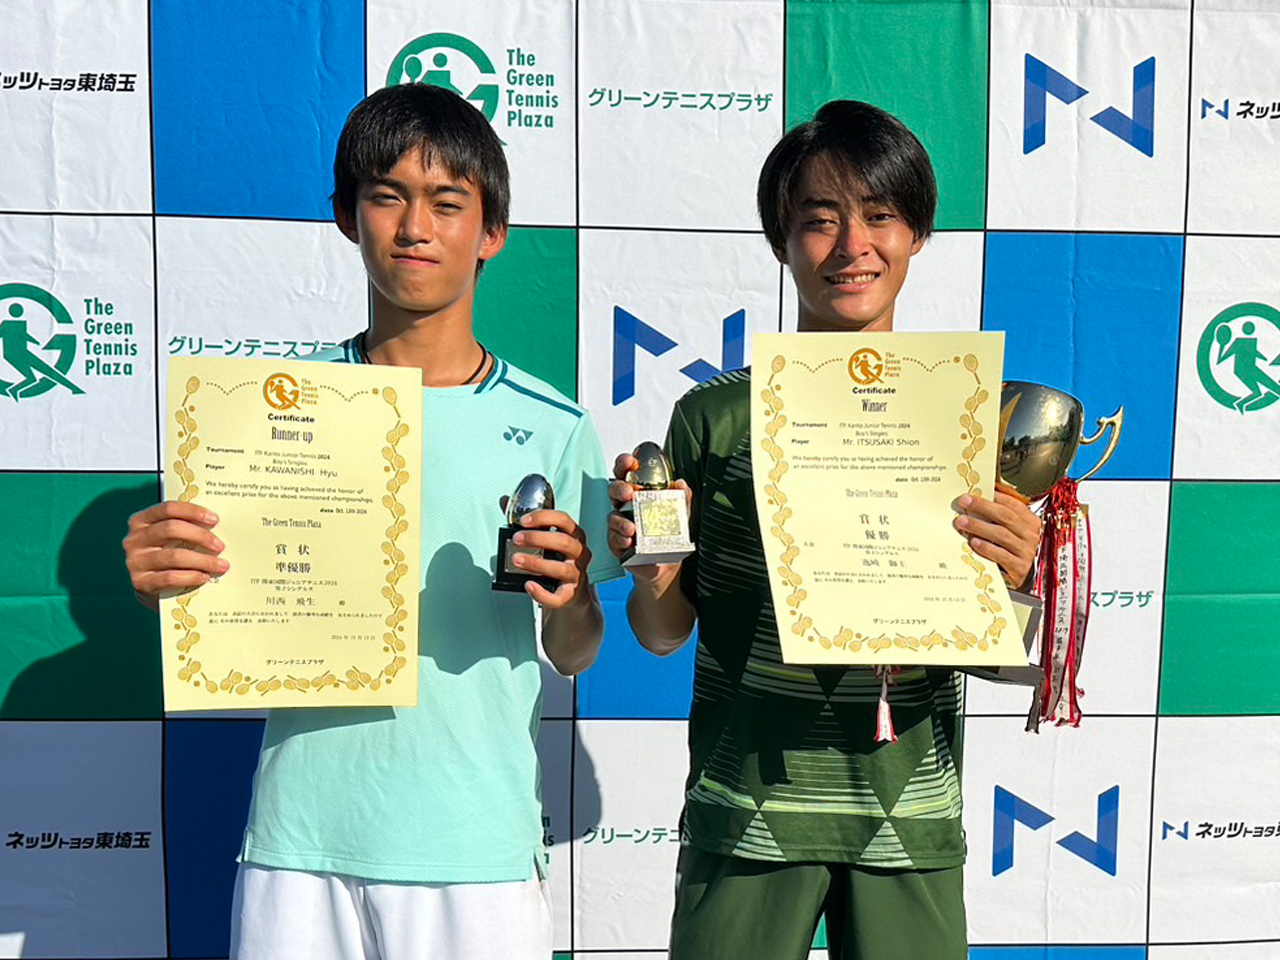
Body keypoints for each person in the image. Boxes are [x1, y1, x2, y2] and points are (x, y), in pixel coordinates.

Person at [123, 83, 621, 960]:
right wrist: (165, 571)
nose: (415, 227)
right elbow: (209, 603)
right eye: (387, 197)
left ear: (491, 233)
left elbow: (577, 650)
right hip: (298, 841)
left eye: (447, 203)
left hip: (474, 848)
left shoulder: (557, 427)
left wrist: (569, 601)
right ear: (349, 219)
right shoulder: (266, 411)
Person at [607, 100, 1043, 960]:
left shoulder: (967, 416)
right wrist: (652, 574)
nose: (852, 246)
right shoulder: (714, 418)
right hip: (745, 807)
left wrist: (1015, 577)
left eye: (880, 216)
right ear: (781, 240)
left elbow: (1009, 661)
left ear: (918, 233)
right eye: (819, 220)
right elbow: (663, 636)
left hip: (908, 813)